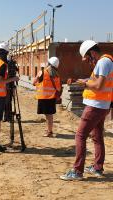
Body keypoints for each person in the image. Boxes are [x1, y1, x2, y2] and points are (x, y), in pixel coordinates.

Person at [60, 40, 113, 181]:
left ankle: (77, 171)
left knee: (80, 136)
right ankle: (97, 168)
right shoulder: (105, 62)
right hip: (102, 105)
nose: (88, 61)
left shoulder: (103, 62)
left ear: (91, 52)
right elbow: (98, 83)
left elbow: (99, 86)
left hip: (95, 106)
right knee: (97, 137)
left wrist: (85, 82)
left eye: (88, 58)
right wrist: (85, 81)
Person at [33, 57, 61, 137]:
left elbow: (34, 82)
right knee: (49, 115)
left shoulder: (42, 72)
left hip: (43, 97)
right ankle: (49, 130)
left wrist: (38, 82)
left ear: (48, 64)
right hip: (52, 98)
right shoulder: (57, 75)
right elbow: (58, 88)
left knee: (48, 115)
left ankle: (49, 131)